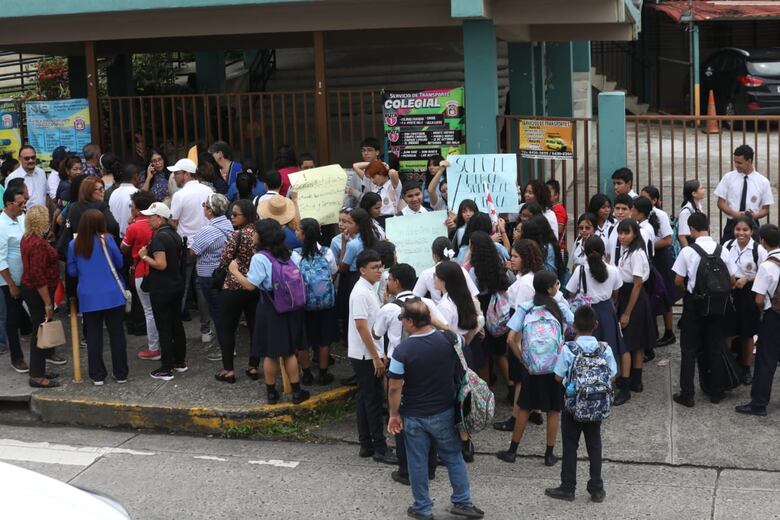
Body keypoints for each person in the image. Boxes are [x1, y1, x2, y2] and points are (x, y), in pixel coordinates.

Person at [387, 299, 485, 520]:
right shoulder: (450, 340)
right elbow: (460, 338)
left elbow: (394, 387)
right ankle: (463, 501)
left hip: (414, 414)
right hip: (444, 411)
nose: (402, 323)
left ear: (411, 322)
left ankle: (422, 508)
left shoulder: (402, 351)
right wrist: (436, 322)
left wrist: (393, 414)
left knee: (417, 461)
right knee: (453, 456)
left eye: (403, 319)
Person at [227, 219, 310, 404]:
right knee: (289, 352)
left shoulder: (260, 258)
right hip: (291, 307)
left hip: (271, 308)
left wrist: (235, 271)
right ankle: (297, 392)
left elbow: (250, 285)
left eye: (256, 232)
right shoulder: (291, 255)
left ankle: (271, 393)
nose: (253, 235)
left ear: (263, 236)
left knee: (270, 353)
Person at [497, 271, 573, 465]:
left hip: (532, 368)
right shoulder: (560, 306)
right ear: (550, 288)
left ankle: (512, 451)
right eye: (556, 284)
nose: (558, 286)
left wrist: (524, 359)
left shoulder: (525, 307)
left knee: (525, 407)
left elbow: (510, 339)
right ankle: (549, 454)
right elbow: (574, 325)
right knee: (554, 410)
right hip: (555, 368)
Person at [545, 306, 617, 503]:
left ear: (574, 326)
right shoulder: (604, 349)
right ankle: (597, 488)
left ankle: (568, 487)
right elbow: (612, 375)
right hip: (597, 406)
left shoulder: (569, 349)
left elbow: (557, 376)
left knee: (570, 445)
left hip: (573, 406)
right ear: (596, 325)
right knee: (594, 445)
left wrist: (573, 383)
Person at [671, 212, 735, 407]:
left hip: (695, 303)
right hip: (717, 304)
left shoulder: (688, 251)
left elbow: (678, 281)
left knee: (689, 349)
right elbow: (732, 279)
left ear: (692, 229)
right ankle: (716, 391)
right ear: (708, 227)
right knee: (715, 346)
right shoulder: (723, 250)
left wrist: (687, 293)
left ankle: (687, 394)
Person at [66, 209, 129, 385]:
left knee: (93, 337)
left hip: (88, 296)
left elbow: (72, 271)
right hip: (113, 295)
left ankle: (97, 375)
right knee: (117, 335)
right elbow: (119, 262)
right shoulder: (107, 240)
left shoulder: (74, 244)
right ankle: (121, 373)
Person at [348, 248, 397, 464]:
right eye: (374, 267)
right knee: (373, 400)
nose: (379, 271)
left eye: (380, 267)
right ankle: (379, 447)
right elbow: (361, 327)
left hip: (368, 352)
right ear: (362, 270)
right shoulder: (360, 292)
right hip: (365, 355)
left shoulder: (370, 288)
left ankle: (366, 444)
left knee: (364, 398)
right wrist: (376, 356)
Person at [138, 202, 187, 381]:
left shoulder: (159, 237)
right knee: (176, 324)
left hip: (162, 288)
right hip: (176, 285)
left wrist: (144, 256)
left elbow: (161, 264)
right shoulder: (175, 234)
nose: (147, 221)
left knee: (164, 327)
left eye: (150, 217)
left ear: (160, 218)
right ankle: (179, 362)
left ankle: (166, 368)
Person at [215, 199, 261, 383]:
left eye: (235, 215)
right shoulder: (260, 233)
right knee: (255, 327)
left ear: (246, 215)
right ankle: (253, 366)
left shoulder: (238, 234)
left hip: (233, 287)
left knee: (227, 328)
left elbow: (225, 259)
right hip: (255, 286)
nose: (231, 218)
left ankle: (228, 370)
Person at [736, 224, 780, 416]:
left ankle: (759, 403)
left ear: (762, 241)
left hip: (773, 317)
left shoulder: (767, 265)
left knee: (765, 361)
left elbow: (759, 299)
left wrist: (763, 311)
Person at [169, 157, 214, 337]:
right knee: (202, 286)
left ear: (186, 174)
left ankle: (176, 330)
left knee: (183, 286)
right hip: (207, 244)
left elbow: (173, 221)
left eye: (177, 173)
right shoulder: (208, 190)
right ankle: (206, 330)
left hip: (186, 246)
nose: (174, 177)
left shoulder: (179, 195)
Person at [614, 219, 657, 405]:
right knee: (636, 341)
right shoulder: (627, 250)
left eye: (626, 233)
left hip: (634, 298)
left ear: (635, 234)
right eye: (620, 233)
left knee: (628, 343)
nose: (622, 236)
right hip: (626, 294)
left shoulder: (637, 253)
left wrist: (627, 313)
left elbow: (637, 284)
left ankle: (626, 386)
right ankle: (636, 381)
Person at [20, 205, 62, 387]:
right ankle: (37, 375)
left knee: (39, 330)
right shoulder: (37, 243)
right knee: (40, 332)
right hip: (38, 292)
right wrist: (47, 303)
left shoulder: (27, 238)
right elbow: (38, 276)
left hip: (32, 289)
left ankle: (39, 369)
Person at [468, 230, 513, 394]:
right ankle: (511, 385)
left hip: (483, 311)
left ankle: (486, 392)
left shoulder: (474, 272)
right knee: (500, 352)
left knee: (485, 354)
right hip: (498, 313)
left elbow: (472, 294)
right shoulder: (500, 266)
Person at [294, 218, 338, 385]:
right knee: (324, 339)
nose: (296, 232)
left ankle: (306, 375)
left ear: (304, 234)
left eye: (298, 230)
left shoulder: (295, 255)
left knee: (304, 340)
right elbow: (333, 272)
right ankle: (323, 374)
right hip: (325, 303)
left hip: (303, 303)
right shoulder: (327, 252)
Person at [723, 215, 766, 385]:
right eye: (738, 229)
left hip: (748, 292)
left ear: (752, 231)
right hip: (731, 291)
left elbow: (764, 272)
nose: (741, 233)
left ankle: (746, 367)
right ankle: (727, 365)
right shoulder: (727, 246)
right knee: (728, 330)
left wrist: (747, 279)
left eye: (745, 230)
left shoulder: (758, 249)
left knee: (747, 332)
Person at [190, 193, 234, 358]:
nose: (203, 208)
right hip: (224, 273)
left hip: (209, 276)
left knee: (217, 312)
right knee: (223, 311)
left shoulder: (208, 230)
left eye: (204, 205)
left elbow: (193, 251)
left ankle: (225, 349)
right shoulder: (228, 224)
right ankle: (228, 346)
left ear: (210, 210)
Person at [566, 237, 624, 358]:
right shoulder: (613, 270)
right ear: (603, 251)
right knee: (608, 345)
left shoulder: (580, 270)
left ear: (585, 252)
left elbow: (571, 292)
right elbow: (616, 293)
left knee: (586, 347)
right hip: (607, 309)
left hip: (586, 312)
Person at [121, 191, 159, 360]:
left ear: (137, 209)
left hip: (142, 270)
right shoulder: (158, 223)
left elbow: (124, 248)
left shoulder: (134, 227)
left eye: (132, 207)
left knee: (149, 311)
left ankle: (153, 347)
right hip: (160, 270)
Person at [640, 186, 677, 348]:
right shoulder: (640, 215)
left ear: (654, 200)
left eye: (646, 198)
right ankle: (652, 331)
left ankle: (669, 331)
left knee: (664, 294)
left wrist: (648, 245)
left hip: (661, 258)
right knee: (651, 294)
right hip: (649, 258)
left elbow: (668, 240)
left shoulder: (660, 215)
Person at [715, 144, 772, 243]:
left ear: (749, 161)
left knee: (753, 251)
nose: (736, 165)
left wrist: (753, 215)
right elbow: (720, 202)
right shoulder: (728, 177)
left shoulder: (763, 182)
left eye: (739, 163)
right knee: (727, 249)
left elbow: (766, 209)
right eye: (735, 162)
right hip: (732, 223)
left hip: (752, 224)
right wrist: (736, 214)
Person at [0, 187, 28, 373]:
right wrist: (11, 284)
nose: (23, 206)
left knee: (39, 314)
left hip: (28, 277)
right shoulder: (1, 226)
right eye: (20, 203)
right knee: (13, 319)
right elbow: (0, 258)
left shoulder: (22, 217)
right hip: (11, 281)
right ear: (9, 204)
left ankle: (47, 350)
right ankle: (16, 358)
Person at [413, 236, 479, 303]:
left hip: (437, 309)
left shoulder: (426, 274)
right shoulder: (461, 270)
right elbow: (474, 296)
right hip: (460, 308)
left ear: (435, 256)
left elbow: (415, 298)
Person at [108, 164, 139, 238]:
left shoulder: (113, 193)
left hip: (115, 236)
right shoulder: (136, 193)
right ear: (135, 176)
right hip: (130, 237)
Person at [604, 193, 633, 266]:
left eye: (624, 209)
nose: (620, 212)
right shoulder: (610, 229)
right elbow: (608, 255)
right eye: (617, 208)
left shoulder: (637, 230)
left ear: (631, 210)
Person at [677, 179, 705, 248]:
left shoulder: (698, 206)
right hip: (691, 245)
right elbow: (682, 236)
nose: (704, 190)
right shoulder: (686, 212)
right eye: (701, 188)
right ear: (694, 194)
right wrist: (687, 251)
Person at [547, 179, 568, 250]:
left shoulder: (559, 209)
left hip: (558, 248)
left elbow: (558, 229)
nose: (545, 195)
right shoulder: (549, 208)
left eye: (548, 192)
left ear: (556, 195)